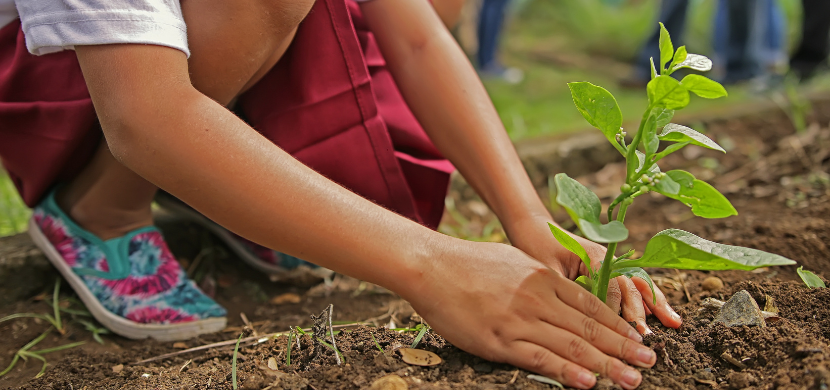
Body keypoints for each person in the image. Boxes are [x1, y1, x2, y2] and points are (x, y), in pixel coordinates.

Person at [0, 0, 681, 388]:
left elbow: (417, 37)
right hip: (70, 81)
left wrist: (528, 219)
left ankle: (219, 181)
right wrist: (434, 265)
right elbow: (144, 116)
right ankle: (100, 208)